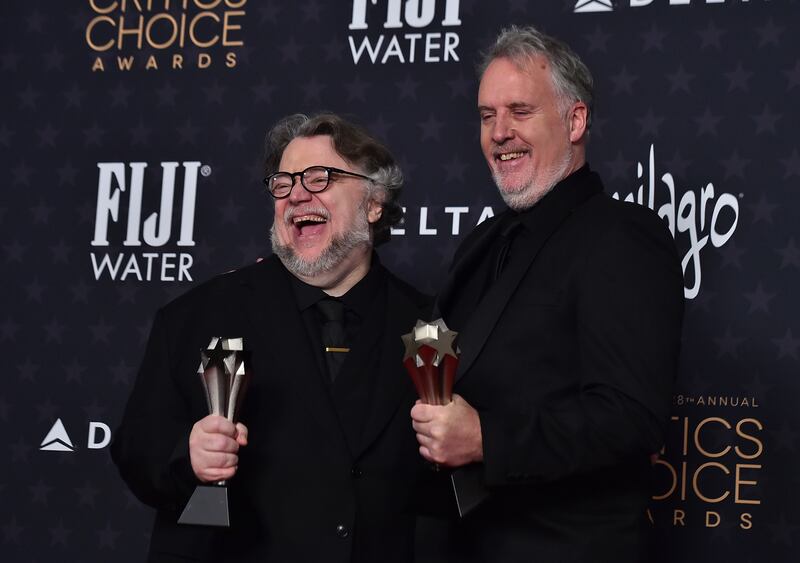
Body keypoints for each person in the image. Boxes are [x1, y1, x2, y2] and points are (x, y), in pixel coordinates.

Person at [410, 25, 684, 562]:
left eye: (520, 111)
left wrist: (488, 437)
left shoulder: (622, 236)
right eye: (487, 116)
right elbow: (431, 356)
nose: (500, 132)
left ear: (576, 120)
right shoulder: (482, 244)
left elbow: (629, 416)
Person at [111, 113, 430, 563]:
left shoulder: (427, 324)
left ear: (375, 202)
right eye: (283, 183)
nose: (297, 194)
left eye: (320, 178)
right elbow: (135, 449)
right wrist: (187, 455)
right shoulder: (196, 316)